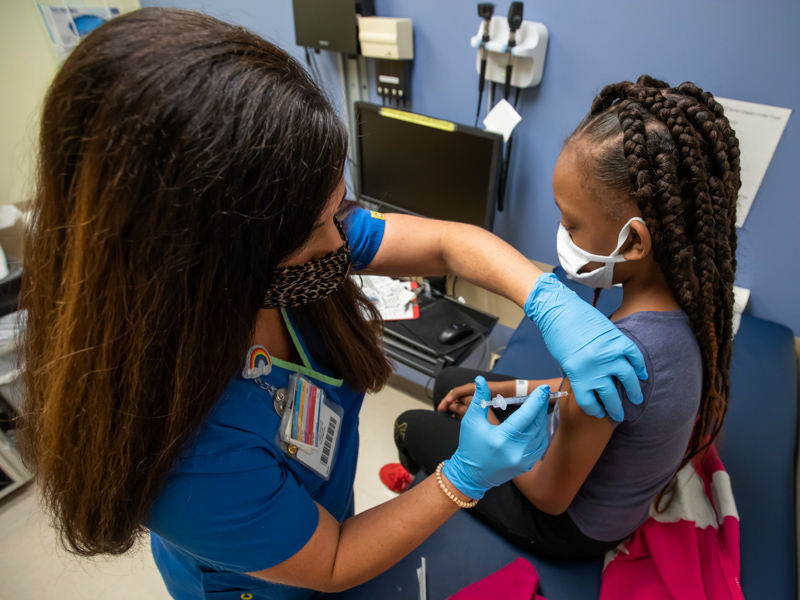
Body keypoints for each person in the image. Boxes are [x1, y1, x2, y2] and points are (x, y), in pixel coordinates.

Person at [19, 9, 649, 600]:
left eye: (337, 211)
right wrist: (461, 478)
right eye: (317, 226)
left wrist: (547, 301)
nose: (342, 241)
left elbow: (449, 244)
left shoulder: (283, 257)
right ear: (212, 262)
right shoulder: (188, 462)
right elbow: (331, 562)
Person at [396, 75, 740, 560]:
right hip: (607, 480)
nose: (562, 233)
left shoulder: (619, 360)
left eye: (570, 222)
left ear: (634, 241)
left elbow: (550, 497)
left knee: (414, 424)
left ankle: (415, 495)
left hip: (571, 526)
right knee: (454, 380)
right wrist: (508, 391)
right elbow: (586, 395)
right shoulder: (689, 311)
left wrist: (492, 440)